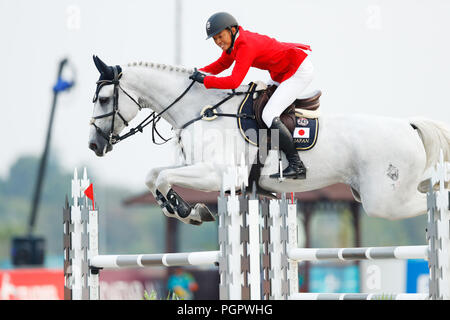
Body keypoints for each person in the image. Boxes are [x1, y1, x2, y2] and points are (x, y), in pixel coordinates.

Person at [190, 12, 314, 179]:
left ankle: (296, 165)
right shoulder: (234, 44)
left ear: (232, 30)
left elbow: (234, 81)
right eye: (215, 39)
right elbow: (221, 64)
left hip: (298, 69)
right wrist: (198, 72)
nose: (218, 42)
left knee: (269, 114)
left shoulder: (245, 45)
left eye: (220, 36)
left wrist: (206, 81)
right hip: (281, 71)